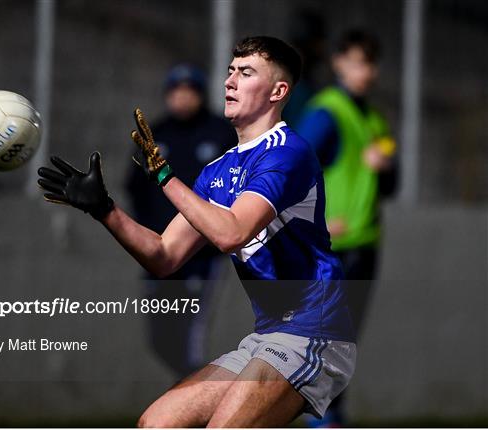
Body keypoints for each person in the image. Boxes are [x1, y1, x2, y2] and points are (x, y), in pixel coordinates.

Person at [37, 36, 356, 428]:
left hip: (314, 332)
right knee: (155, 424)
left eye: (246, 72)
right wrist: (105, 210)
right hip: (268, 336)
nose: (230, 81)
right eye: (230, 71)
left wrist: (164, 176)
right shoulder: (216, 172)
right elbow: (164, 256)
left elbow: (232, 233)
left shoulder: (287, 152)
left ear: (278, 91)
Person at [295, 29, 398, 427]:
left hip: (365, 245)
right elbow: (291, 170)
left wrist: (385, 169)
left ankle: (329, 415)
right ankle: (320, 419)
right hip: (331, 248)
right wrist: (314, 220)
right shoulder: (327, 111)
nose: (365, 72)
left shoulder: (374, 119)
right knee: (323, 340)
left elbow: (389, 186)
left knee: (342, 344)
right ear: (339, 62)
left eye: (370, 63)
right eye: (357, 62)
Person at [125, 64, 237, 378]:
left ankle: (192, 415)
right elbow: (135, 188)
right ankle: (191, 400)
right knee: (160, 340)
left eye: (190, 91)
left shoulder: (219, 133)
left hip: (202, 256)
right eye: (176, 91)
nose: (183, 98)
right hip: (160, 253)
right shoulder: (154, 135)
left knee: (192, 339)